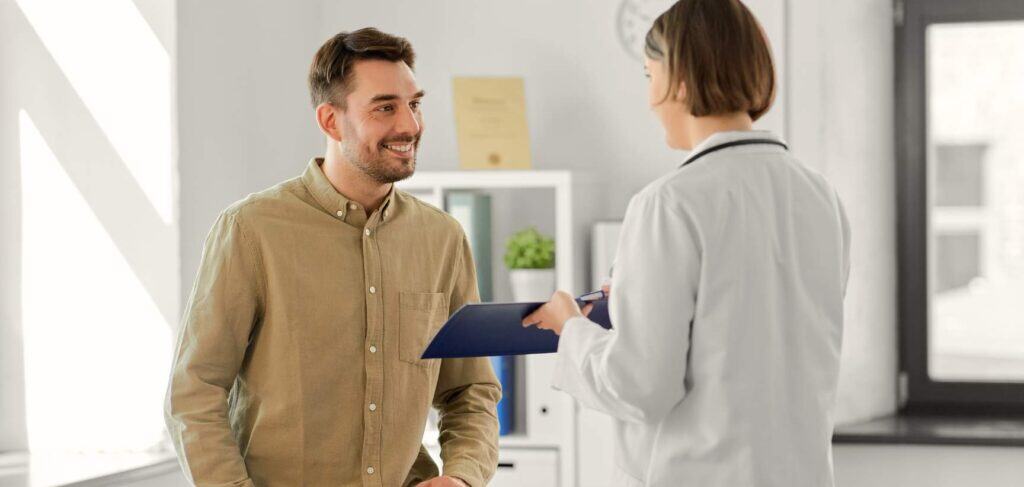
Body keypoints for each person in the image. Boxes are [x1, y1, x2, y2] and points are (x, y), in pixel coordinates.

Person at [524, 1, 851, 486]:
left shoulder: (668, 204)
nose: (650, 97)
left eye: (648, 74)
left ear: (677, 81)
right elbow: (762, 333)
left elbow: (641, 387)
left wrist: (570, 328)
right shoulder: (822, 196)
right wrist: (639, 307)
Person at [165, 28, 500, 487]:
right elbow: (194, 391)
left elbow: (470, 390)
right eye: (385, 107)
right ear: (330, 121)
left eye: (414, 104)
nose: (410, 125)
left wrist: (461, 476)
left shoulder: (442, 238)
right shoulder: (251, 230)